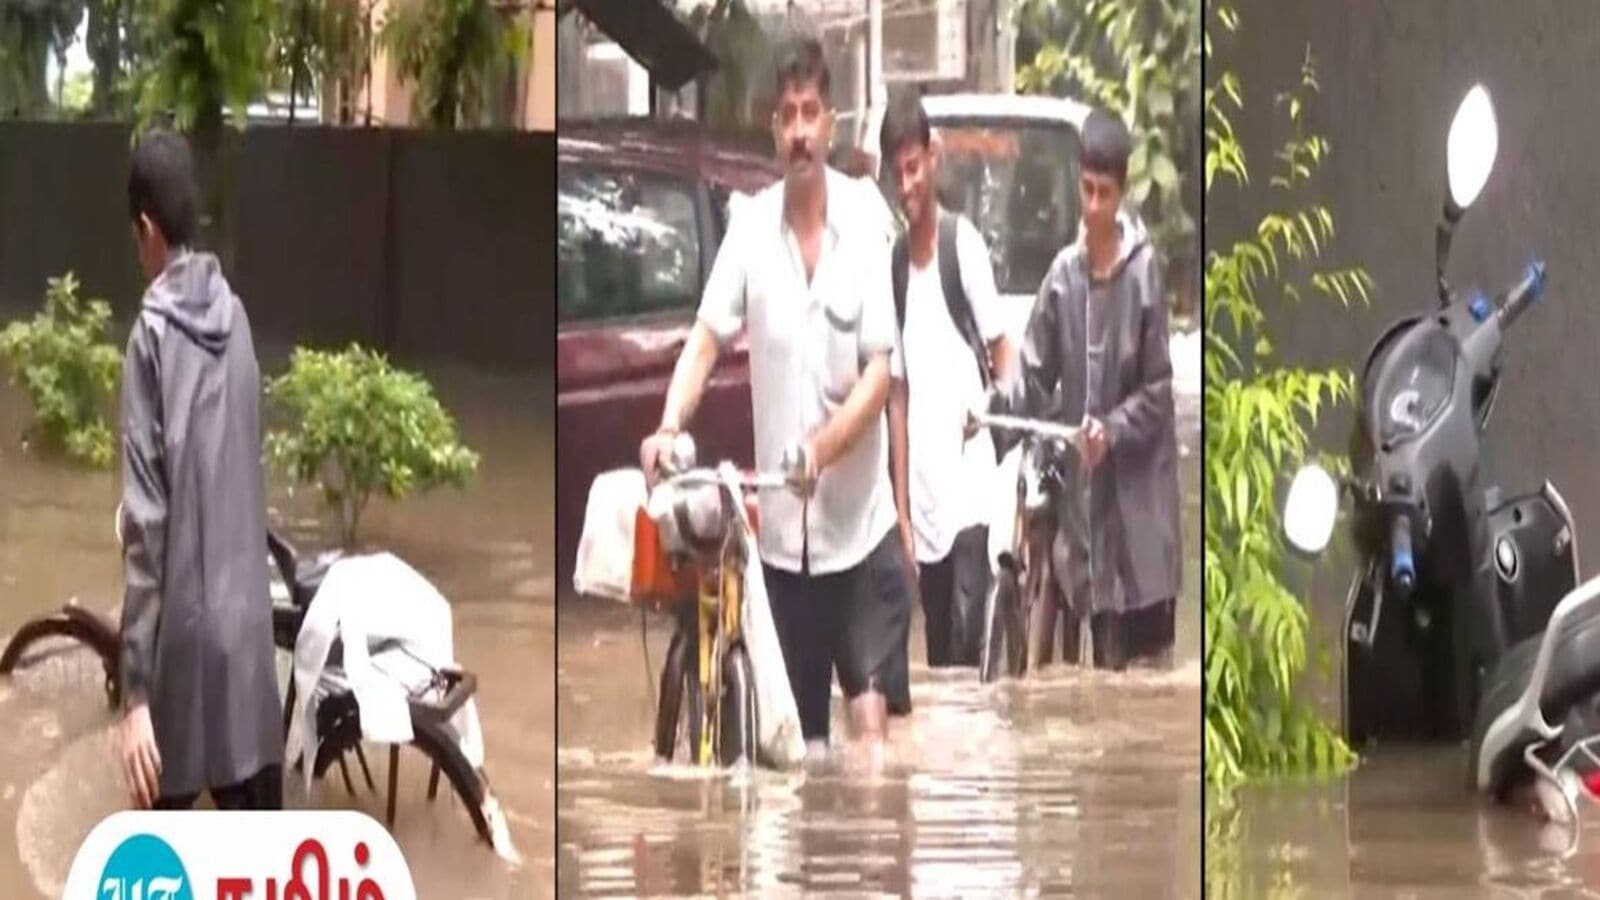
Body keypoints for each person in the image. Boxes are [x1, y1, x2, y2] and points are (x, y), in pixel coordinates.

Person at [639, 35, 911, 748]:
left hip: (861, 534)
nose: (799, 131)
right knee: (798, 754)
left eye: (810, 113)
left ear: (831, 123)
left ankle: (881, 853)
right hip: (784, 554)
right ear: (775, 128)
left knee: (869, 732)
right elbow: (705, 338)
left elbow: (881, 373)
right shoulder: (750, 231)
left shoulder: (866, 224)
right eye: (787, 115)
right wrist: (668, 425)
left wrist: (822, 448)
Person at [116, 128, 284, 809]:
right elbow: (233, 469)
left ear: (149, 228)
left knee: (157, 864)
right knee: (265, 868)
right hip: (248, 649)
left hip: (183, 657)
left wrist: (133, 696)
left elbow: (149, 532)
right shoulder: (237, 319)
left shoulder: (149, 337)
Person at [984, 109, 1180, 670]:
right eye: (1087, 191)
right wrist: (992, 411)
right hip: (1088, 530)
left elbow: (1159, 390)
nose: (1094, 207)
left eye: (1105, 194)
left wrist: (1112, 431)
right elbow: (1035, 373)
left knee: (1143, 688)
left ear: (1121, 194)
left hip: (1141, 534)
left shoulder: (1144, 277)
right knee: (1100, 681)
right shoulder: (1063, 278)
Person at [878, 90, 1016, 667]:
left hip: (972, 500)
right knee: (938, 660)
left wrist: (988, 407)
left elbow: (1002, 350)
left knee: (966, 648)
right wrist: (903, 514)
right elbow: (898, 396)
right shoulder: (894, 266)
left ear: (933, 159)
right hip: (927, 508)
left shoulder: (965, 249)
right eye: (898, 173)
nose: (907, 184)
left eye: (914, 168)